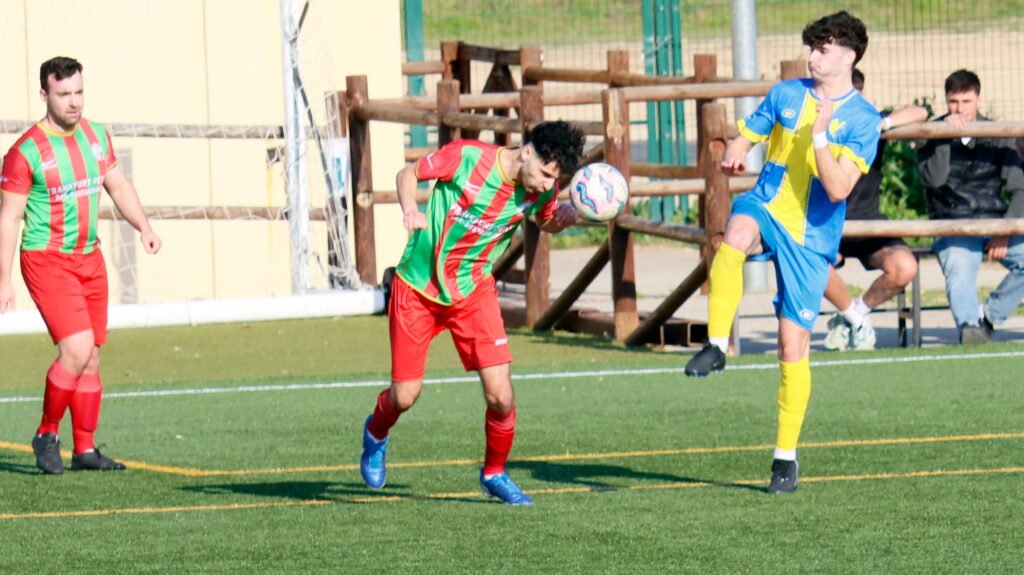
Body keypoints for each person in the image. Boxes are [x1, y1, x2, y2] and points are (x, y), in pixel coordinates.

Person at [683, 12, 879, 494]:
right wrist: (735, 150)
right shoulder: (786, 93)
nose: (813, 57)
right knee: (733, 237)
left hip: (811, 237)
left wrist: (820, 136)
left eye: (823, 49)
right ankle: (716, 345)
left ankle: (785, 460)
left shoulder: (863, 119)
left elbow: (837, 189)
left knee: (792, 348)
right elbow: (747, 134)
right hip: (766, 204)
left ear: (849, 56)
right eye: (811, 47)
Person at [358, 121, 584, 505]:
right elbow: (407, 174)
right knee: (405, 395)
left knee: (501, 396)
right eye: (546, 174)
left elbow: (545, 220)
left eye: (555, 180)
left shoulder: (541, 188)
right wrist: (411, 210)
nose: (548, 185)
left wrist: (560, 220)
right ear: (527, 152)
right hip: (418, 288)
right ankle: (376, 433)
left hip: (473, 292)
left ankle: (494, 472)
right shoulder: (467, 157)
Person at [0, 57, 162, 474]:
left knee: (91, 357)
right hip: (46, 258)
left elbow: (118, 186)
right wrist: (4, 279)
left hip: (90, 257)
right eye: (63, 94)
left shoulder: (95, 136)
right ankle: (46, 433)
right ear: (44, 94)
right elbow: (9, 218)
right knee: (75, 349)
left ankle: (85, 450)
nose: (74, 102)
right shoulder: (24, 153)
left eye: (79, 92)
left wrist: (143, 226)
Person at [823, 69, 928, 351]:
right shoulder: (819, 126)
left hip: (869, 224)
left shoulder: (871, 121)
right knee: (812, 264)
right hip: (827, 223)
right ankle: (854, 321)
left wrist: (883, 123)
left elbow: (920, 112)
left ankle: (853, 317)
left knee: (905, 267)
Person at [917, 70, 1024, 345]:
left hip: (994, 221)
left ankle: (988, 317)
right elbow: (934, 179)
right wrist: (943, 136)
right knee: (960, 271)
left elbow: (1019, 189)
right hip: (951, 222)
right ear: (945, 101)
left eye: (966, 101)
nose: (959, 109)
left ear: (978, 99)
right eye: (953, 102)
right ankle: (969, 327)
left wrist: (1005, 230)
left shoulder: (999, 134)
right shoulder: (930, 133)